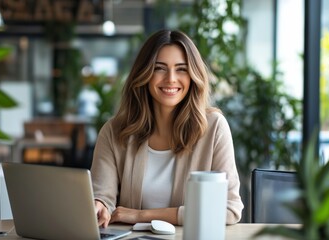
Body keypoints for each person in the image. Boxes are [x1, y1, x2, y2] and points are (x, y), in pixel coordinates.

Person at [91, 29, 244, 228]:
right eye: (159, 68)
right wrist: (99, 204)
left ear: (193, 75)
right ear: (144, 74)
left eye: (181, 69)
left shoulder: (214, 127)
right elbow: (103, 196)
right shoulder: (114, 131)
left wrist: (141, 215)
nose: (171, 78)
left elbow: (229, 209)